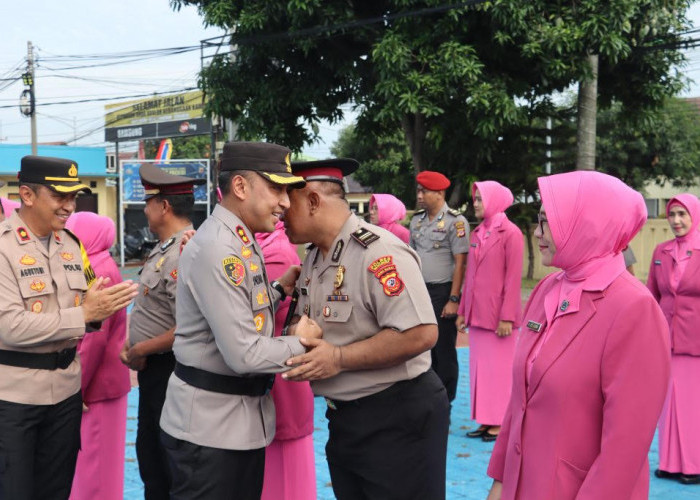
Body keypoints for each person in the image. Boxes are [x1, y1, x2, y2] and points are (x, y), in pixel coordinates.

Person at [486, 171, 671, 500]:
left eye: (548, 221)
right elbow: (519, 402)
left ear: (587, 223)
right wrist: (500, 482)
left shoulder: (634, 308)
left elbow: (624, 448)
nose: (538, 233)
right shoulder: (547, 288)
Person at [282, 158, 450, 500]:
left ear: (313, 201)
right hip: (346, 419)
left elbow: (421, 333)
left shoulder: (378, 252)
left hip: (396, 417)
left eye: (288, 199)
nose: (281, 208)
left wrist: (338, 358)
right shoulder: (314, 256)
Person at [159, 141, 317, 500]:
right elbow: (243, 353)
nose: (286, 202)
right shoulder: (219, 247)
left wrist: (278, 288)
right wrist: (303, 340)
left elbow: (241, 308)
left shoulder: (239, 239)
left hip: (235, 424)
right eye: (276, 188)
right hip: (210, 431)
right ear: (241, 187)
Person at [0, 155, 138, 500]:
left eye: (73, 197)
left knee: (57, 490)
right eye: (59, 196)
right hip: (15, 398)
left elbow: (87, 310)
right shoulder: (3, 249)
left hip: (65, 395)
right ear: (27, 195)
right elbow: (10, 326)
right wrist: (84, 314)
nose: (68, 206)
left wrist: (98, 313)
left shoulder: (72, 246)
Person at [118, 163, 204, 500]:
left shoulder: (185, 252)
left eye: (149, 201)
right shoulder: (165, 248)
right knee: (152, 463)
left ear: (164, 207)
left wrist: (140, 350)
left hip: (171, 373)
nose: (144, 209)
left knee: (170, 470)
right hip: (155, 375)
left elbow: (190, 326)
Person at [66, 212, 130, 500]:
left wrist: (76, 389)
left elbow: (94, 339)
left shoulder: (97, 271)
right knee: (97, 469)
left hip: (96, 389)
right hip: (102, 385)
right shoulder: (96, 264)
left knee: (95, 470)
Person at [456, 181, 522, 442]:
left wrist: (507, 316)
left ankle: (500, 421)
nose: (475, 203)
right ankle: (486, 420)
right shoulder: (476, 234)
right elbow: (470, 276)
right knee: (481, 372)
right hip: (478, 315)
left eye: (481, 199)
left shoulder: (511, 233)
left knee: (500, 373)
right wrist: (463, 311)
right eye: (475, 199)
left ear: (495, 201)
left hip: (499, 318)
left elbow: (513, 278)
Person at [258, 221, 316, 500]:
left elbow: (255, 311)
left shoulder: (276, 251)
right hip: (276, 365)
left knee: (286, 466)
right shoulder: (262, 246)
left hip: (281, 373)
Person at [647, 194, 700, 485]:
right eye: (672, 214)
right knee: (668, 403)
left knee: (693, 406)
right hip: (666, 341)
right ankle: (669, 462)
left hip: (696, 344)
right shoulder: (661, 250)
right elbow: (652, 296)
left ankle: (693, 465)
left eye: (682, 214)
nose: (676, 220)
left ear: (694, 216)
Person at [409, 171, 468, 403]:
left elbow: (460, 263)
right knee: (423, 347)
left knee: (444, 349)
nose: (420, 195)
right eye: (419, 190)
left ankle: (446, 400)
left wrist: (453, 300)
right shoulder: (417, 220)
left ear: (440, 193)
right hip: (420, 291)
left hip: (442, 292)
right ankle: (427, 397)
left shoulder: (456, 222)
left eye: (425, 191)